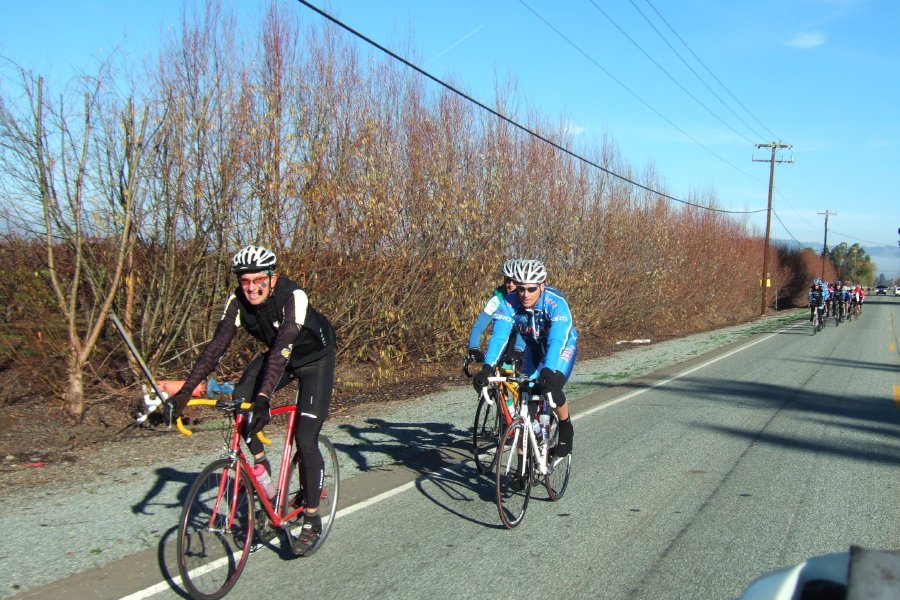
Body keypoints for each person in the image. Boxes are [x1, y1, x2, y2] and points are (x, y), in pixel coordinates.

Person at [165, 245, 336, 556]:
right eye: (245, 281)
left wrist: (264, 399)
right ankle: (264, 480)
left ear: (273, 278)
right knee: (239, 401)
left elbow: (283, 348)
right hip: (276, 356)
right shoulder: (237, 302)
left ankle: (311, 518)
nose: (252, 287)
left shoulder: (292, 296)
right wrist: (185, 391)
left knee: (305, 438)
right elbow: (215, 349)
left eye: (259, 279)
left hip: (314, 362)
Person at [472, 259, 577, 458]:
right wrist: (487, 367)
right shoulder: (509, 302)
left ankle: (565, 425)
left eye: (531, 289)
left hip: (562, 347)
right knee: (525, 403)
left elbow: (557, 339)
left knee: (551, 388)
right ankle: (523, 465)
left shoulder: (556, 303)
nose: (525, 294)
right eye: (521, 289)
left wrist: (548, 370)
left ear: (542, 287)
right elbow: (500, 337)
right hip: (535, 348)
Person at [467, 259, 522, 367]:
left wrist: (518, 350)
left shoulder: (528, 297)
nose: (510, 285)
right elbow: (478, 326)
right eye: (507, 280)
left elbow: (526, 328)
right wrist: (473, 348)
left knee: (513, 364)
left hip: (525, 335)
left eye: (514, 281)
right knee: (494, 362)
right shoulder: (498, 298)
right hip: (505, 334)